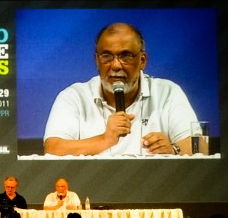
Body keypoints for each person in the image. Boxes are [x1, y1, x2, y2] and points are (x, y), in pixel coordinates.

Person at [43, 22, 199, 156]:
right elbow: (53, 148)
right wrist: (105, 139)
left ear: (142, 61)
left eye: (125, 56)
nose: (116, 65)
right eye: (107, 56)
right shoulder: (74, 97)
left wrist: (174, 149)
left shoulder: (167, 92)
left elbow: (199, 145)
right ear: (97, 61)